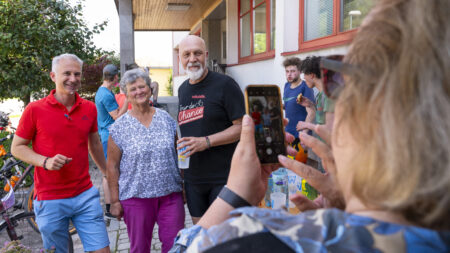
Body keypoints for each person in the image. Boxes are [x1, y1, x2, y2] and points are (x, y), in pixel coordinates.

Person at [170, 0, 450, 251]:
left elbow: (189, 248)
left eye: (338, 79)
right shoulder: (183, 91)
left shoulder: (262, 237)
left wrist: (235, 195)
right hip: (196, 175)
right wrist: (350, 206)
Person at [11, 54, 110, 253]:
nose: (73, 79)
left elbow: (95, 144)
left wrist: (108, 173)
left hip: (85, 195)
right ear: (53, 76)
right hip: (50, 199)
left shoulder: (89, 108)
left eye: (77, 74)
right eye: (67, 73)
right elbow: (17, 147)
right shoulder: (34, 110)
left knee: (102, 250)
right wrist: (45, 161)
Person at [107, 68, 184, 253]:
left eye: (142, 87)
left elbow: (178, 154)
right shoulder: (119, 127)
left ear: (150, 89)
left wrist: (184, 186)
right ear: (126, 94)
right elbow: (112, 166)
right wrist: (115, 201)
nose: (138, 92)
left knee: (176, 246)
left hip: (170, 195)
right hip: (136, 198)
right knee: (140, 248)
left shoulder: (166, 119)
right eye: (132, 89)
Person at [177, 35, 245, 224]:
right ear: (180, 59)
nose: (192, 59)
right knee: (201, 234)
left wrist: (206, 142)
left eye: (197, 53)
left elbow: (242, 128)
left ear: (205, 55)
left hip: (223, 177)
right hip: (194, 179)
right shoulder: (182, 89)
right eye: (187, 54)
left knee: (221, 235)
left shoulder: (225, 85)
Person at [95, 64, 129, 218]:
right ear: (115, 77)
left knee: (106, 172)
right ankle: (113, 207)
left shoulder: (102, 91)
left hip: (104, 134)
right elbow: (117, 117)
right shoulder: (107, 95)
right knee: (112, 171)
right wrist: (128, 100)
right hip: (109, 136)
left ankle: (109, 208)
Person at [282, 57, 315, 149]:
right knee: (287, 161)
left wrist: (304, 135)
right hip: (288, 132)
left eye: (292, 71)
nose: (289, 74)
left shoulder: (306, 87)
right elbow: (290, 106)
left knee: (299, 162)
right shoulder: (286, 85)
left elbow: (311, 113)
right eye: (287, 71)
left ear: (300, 71)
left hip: (300, 135)